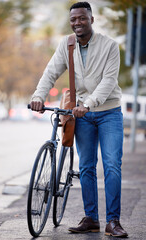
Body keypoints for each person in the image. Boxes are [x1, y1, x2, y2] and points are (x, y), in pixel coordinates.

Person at [30, 1, 128, 238]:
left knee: (112, 165)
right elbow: (51, 71)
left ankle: (113, 221)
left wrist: (88, 104)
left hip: (108, 112)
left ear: (91, 20)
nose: (77, 23)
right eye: (73, 19)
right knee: (85, 167)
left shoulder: (110, 46)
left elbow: (108, 81)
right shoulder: (67, 44)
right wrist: (38, 96)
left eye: (82, 18)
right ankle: (91, 218)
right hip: (81, 115)